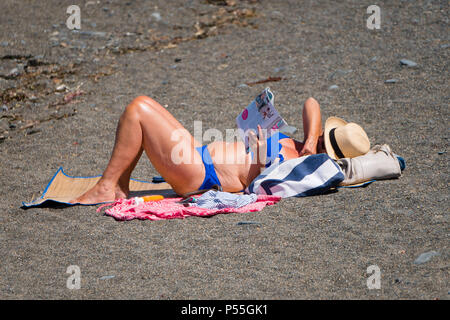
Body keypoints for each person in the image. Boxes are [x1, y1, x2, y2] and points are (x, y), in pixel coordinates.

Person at [69, 96, 346, 204]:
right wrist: (310, 142)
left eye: (324, 143)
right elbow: (311, 103)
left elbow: (259, 188)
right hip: (197, 153)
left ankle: (108, 186)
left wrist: (262, 160)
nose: (320, 139)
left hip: (201, 173)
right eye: (324, 136)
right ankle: (119, 184)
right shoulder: (302, 146)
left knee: (137, 112)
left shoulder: (298, 169)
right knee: (143, 103)